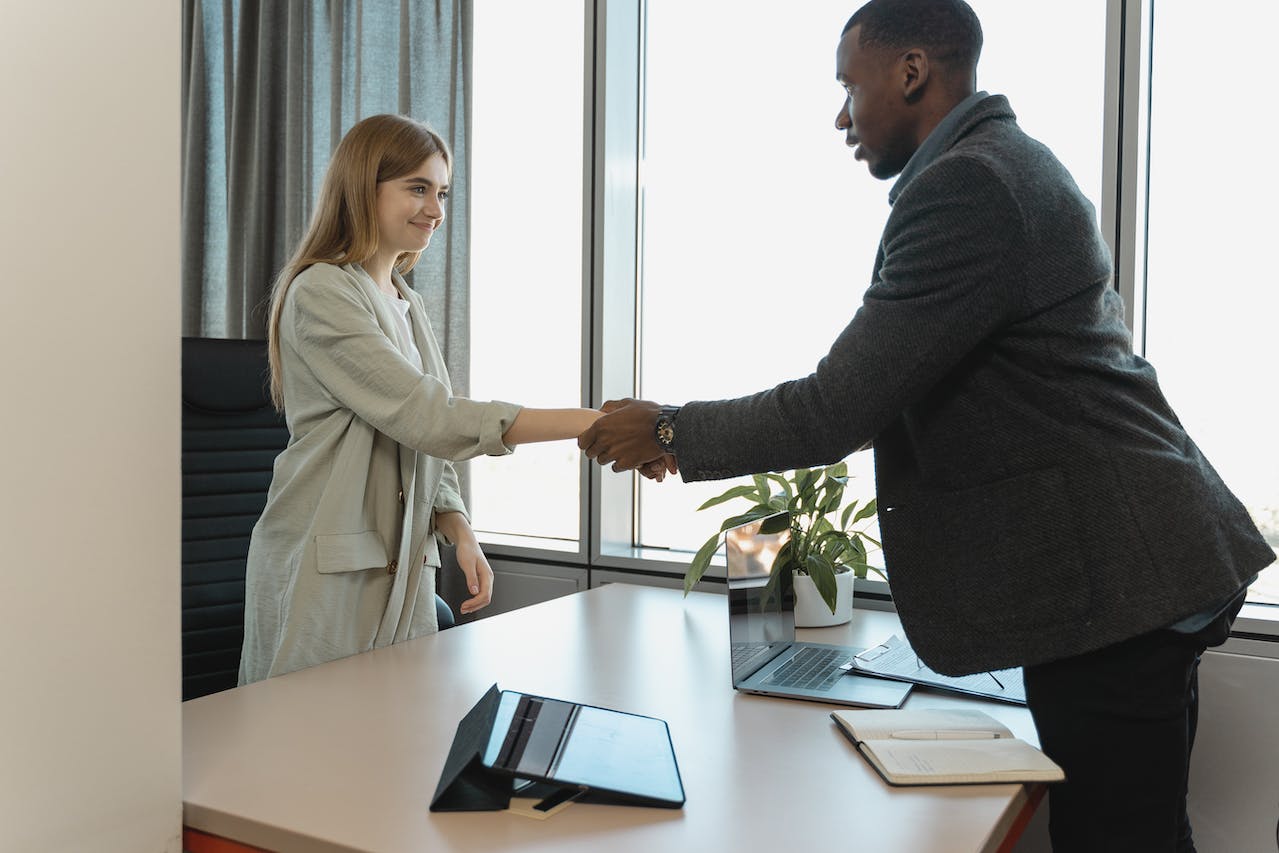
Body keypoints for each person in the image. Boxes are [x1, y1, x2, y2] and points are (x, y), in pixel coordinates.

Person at [577, 2, 1274, 851]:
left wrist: (671, 431)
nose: (841, 117)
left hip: (1120, 578)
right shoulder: (1001, 166)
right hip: (1139, 562)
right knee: (1139, 830)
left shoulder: (970, 187)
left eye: (848, 87)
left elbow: (840, 404)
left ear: (910, 72)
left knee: (1116, 838)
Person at [240, 114, 601, 684]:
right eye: (417, 188)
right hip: (325, 566)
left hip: (404, 567)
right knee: (304, 748)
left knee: (395, 741)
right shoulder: (322, 291)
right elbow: (430, 417)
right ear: (363, 186)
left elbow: (421, 437)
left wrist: (459, 528)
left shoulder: (407, 303)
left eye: (442, 193)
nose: (435, 210)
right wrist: (590, 423)